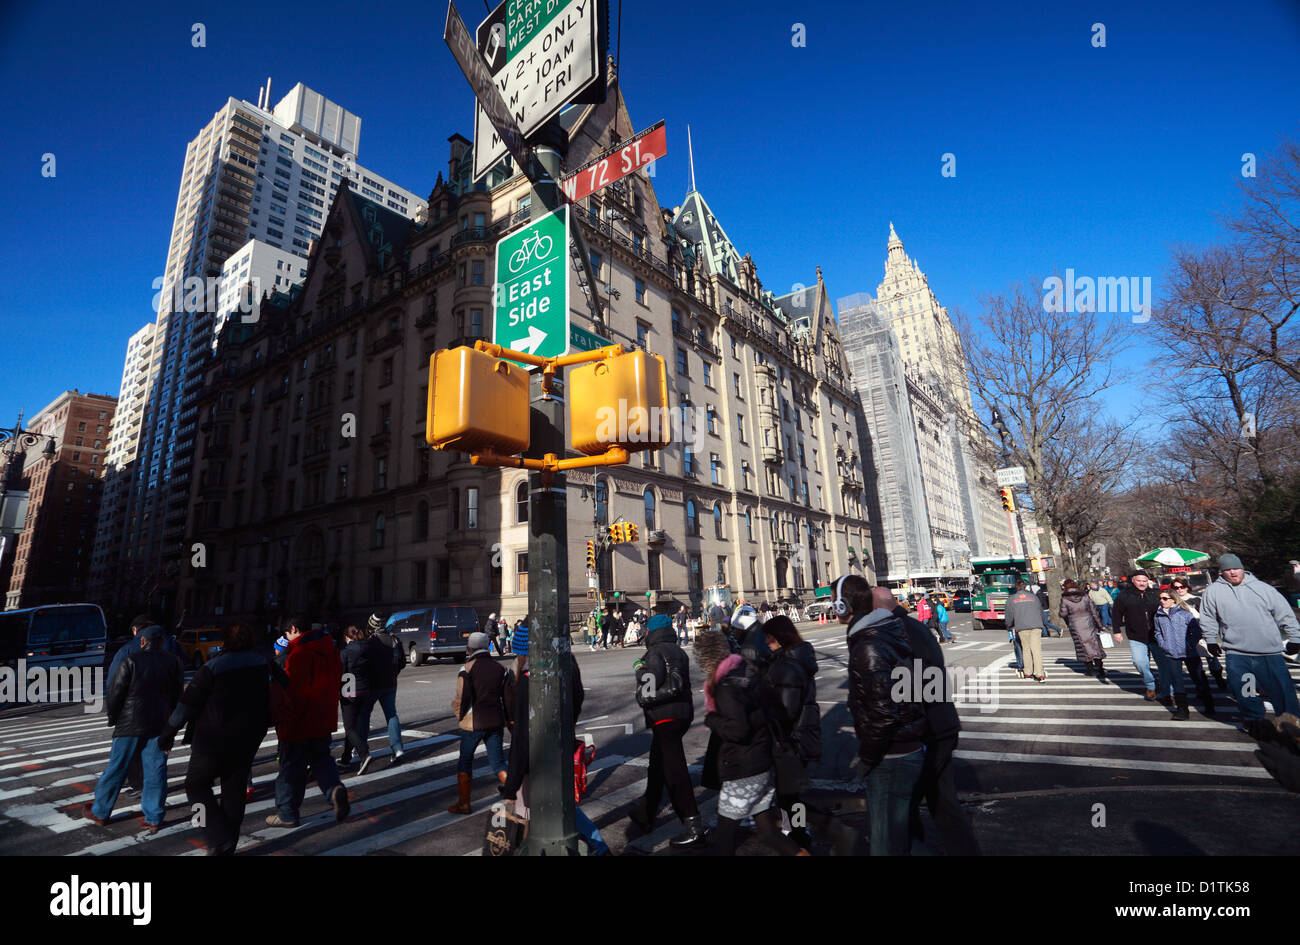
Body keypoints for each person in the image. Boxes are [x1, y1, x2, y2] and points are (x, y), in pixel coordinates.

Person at [867, 585, 980, 856]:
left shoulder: (898, 631)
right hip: (941, 724)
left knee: (902, 807)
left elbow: (908, 686)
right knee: (942, 802)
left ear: (877, 608)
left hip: (927, 729)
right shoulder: (911, 626)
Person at [159, 621, 276, 855]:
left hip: (213, 739)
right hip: (249, 736)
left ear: (225, 641)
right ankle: (228, 844)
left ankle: (216, 836)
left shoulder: (213, 668)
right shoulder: (263, 664)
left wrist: (167, 735)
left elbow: (186, 706)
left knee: (195, 785)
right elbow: (283, 689)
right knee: (234, 789)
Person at [694, 628, 804, 856]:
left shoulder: (725, 686)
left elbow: (739, 729)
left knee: (724, 837)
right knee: (767, 831)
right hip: (762, 761)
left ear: (705, 659)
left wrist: (712, 719)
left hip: (744, 768)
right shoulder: (747, 669)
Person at [501, 626, 608, 854]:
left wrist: (510, 785)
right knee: (562, 805)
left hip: (534, 758)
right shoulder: (566, 663)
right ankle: (599, 847)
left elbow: (521, 738)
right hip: (560, 747)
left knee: (533, 810)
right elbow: (577, 698)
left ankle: (596, 847)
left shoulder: (527, 680)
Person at [840, 576, 927, 856]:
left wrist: (867, 757)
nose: (832, 606)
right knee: (898, 834)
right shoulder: (885, 631)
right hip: (907, 746)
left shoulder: (868, 644)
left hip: (890, 754)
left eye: (834, 599)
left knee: (883, 838)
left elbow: (882, 712)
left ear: (845, 604)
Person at [83, 625, 183, 831]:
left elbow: (116, 692)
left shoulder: (131, 660)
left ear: (143, 642)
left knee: (117, 767)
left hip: (129, 723)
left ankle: (101, 811)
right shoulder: (173, 662)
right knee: (156, 769)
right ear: (163, 642)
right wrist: (171, 724)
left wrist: (113, 717)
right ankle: (154, 817)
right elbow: (177, 696)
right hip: (160, 723)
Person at [630, 613, 705, 847]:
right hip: (682, 712)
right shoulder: (677, 650)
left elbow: (651, 686)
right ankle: (646, 813)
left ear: (652, 631)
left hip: (665, 717)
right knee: (657, 766)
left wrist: (639, 670)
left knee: (675, 772)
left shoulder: (654, 653)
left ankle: (693, 825)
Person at [267, 615, 350, 828]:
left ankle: (287, 813)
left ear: (293, 629)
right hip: (324, 717)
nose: (287, 638)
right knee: (322, 759)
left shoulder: (298, 653)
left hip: (298, 720)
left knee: (291, 768)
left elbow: (293, 691)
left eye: (287, 634)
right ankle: (334, 790)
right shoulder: (329, 650)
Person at [1200, 553, 1300, 726]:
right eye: (1228, 570)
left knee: (1282, 691)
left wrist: (1295, 638)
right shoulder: (1213, 591)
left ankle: (1290, 724)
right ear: (1221, 572)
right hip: (1238, 654)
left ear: (1242, 568)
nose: (1233, 572)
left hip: (1269, 652)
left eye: (1236, 568)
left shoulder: (1263, 588)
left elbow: (1285, 614)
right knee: (1246, 692)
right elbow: (1208, 617)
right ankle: (1254, 722)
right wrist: (1210, 640)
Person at [447, 632, 512, 814]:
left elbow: (462, 697)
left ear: (470, 648)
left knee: (465, 761)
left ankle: (464, 803)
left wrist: (459, 714)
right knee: (498, 763)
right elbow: (508, 699)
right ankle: (521, 793)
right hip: (496, 721)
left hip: (473, 722)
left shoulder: (466, 669)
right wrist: (509, 720)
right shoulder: (501, 668)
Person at [1153, 589, 1213, 720]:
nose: (1162, 601)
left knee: (1198, 677)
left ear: (1173, 599)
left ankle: (1209, 703)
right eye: (1160, 599)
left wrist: (1189, 644)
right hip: (1171, 653)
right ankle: (1182, 710)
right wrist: (1163, 644)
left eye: (1165, 598)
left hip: (1189, 652)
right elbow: (1157, 632)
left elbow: (1196, 632)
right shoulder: (1158, 615)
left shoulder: (1185, 614)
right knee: (1177, 681)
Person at [1112, 570, 1163, 701]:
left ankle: (1170, 690)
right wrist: (1116, 631)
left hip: (1157, 636)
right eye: (1139, 580)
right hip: (1136, 636)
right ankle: (1150, 685)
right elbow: (1117, 613)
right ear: (1133, 581)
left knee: (1164, 665)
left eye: (1145, 581)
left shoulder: (1155, 594)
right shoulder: (1124, 596)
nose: (1142, 583)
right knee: (1139, 663)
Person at [365, 613, 406, 766]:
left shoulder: (370, 642)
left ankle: (362, 749)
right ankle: (397, 748)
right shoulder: (395, 639)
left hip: (374, 684)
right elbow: (401, 662)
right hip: (391, 682)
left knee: (365, 715)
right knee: (391, 715)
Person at [1170, 577, 1227, 689]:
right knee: (1194, 664)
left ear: (1187, 587)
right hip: (1184, 636)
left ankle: (1218, 678)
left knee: (1211, 658)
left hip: (1200, 632)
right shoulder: (1171, 602)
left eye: (1182, 587)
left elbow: (1206, 616)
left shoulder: (1196, 599)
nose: (1180, 589)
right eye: (1176, 587)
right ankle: (1201, 687)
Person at [338, 625, 376, 773]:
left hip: (349, 691)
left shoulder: (345, 652)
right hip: (366, 690)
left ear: (347, 637)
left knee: (349, 728)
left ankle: (364, 753)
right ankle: (346, 757)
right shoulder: (368, 649)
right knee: (353, 726)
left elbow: (341, 673)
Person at [1059, 579, 1107, 681]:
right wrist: (1100, 625)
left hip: (1076, 624)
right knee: (1095, 645)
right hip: (1088, 622)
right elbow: (1094, 612)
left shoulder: (1065, 599)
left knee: (1083, 646)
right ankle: (1100, 668)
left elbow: (1063, 613)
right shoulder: (1085, 596)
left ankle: (1090, 669)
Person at [1006, 581, 1047, 683]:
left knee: (1026, 649)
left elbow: (1009, 615)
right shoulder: (1034, 597)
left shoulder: (1011, 599)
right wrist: (1041, 623)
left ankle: (1028, 672)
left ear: (1016, 588)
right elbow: (1040, 611)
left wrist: (1009, 626)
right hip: (1036, 625)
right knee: (1036, 649)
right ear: (1025, 587)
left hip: (1022, 626)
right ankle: (1039, 673)